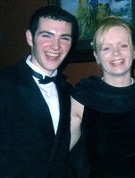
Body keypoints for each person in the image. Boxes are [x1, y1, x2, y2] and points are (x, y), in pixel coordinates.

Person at [69, 16, 135, 177]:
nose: (116, 53)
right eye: (106, 48)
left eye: (123, 45)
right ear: (96, 56)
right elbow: (58, 152)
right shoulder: (84, 95)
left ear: (134, 51)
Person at [0, 6, 78, 177]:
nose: (56, 46)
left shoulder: (70, 92)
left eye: (64, 38)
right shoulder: (4, 84)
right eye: (46, 36)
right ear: (30, 37)